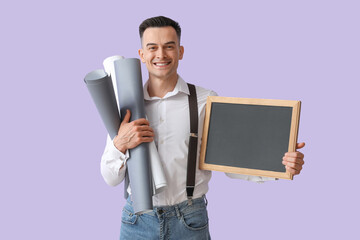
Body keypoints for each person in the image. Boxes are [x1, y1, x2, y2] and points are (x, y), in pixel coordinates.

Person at [100, 16, 305, 240]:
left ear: (181, 52)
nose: (161, 55)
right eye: (152, 48)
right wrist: (120, 144)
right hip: (137, 221)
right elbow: (110, 178)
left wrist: (279, 163)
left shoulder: (205, 100)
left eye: (169, 47)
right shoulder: (126, 104)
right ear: (142, 55)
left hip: (189, 221)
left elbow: (231, 161)